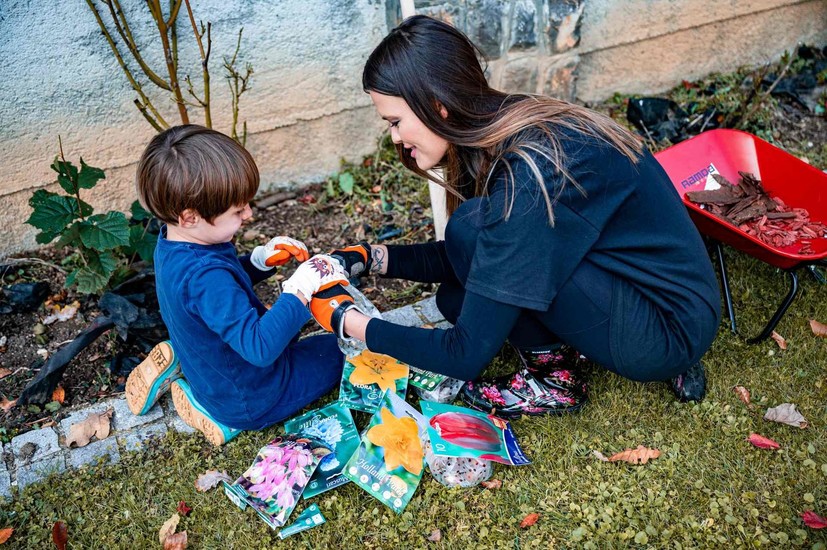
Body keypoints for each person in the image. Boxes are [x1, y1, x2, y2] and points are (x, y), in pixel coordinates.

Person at [309, 15, 721, 418]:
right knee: (457, 294)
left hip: (666, 329)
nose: (395, 138)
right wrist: (370, 256)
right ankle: (574, 346)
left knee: (471, 242)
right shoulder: (510, 121)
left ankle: (554, 380)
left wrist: (350, 322)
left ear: (437, 105)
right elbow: (481, 251)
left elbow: (465, 354)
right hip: (663, 289)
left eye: (396, 122)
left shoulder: (527, 176)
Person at [127, 124, 349, 445]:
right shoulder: (206, 277)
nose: (248, 214)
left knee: (273, 329)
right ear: (189, 217)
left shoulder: (174, 243)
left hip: (219, 371)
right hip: (254, 397)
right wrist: (301, 289)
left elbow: (218, 289)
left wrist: (259, 261)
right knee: (339, 350)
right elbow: (260, 348)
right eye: (237, 209)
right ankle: (221, 417)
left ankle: (190, 368)